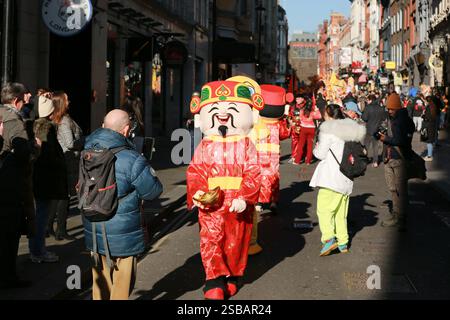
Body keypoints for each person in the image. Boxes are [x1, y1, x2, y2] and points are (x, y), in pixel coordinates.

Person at [187, 80, 262, 300]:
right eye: (215, 110)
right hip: (212, 204)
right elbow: (196, 172)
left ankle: (232, 277)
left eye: (231, 110)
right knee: (211, 241)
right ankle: (214, 281)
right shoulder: (206, 145)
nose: (222, 115)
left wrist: (245, 197)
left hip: (237, 203)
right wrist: (198, 193)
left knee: (235, 242)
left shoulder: (247, 145)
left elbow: (254, 172)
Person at [83, 109, 162, 300]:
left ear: (103, 126)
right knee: (122, 284)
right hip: (123, 233)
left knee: (100, 284)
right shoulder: (132, 158)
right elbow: (153, 191)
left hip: (94, 227)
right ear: (126, 130)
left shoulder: (86, 151)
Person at [310, 104, 366, 256]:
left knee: (324, 209)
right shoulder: (349, 130)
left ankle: (328, 239)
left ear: (328, 115)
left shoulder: (328, 131)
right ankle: (343, 242)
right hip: (346, 177)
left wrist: (315, 148)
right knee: (341, 213)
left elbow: (320, 154)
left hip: (331, 177)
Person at [0, 83, 40, 288]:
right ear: (16, 100)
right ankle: (8, 277)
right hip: (11, 186)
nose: (29, 96)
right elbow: (24, 155)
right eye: (25, 95)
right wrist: (36, 149)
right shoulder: (14, 121)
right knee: (10, 233)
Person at [247, 83, 292, 255]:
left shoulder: (257, 121)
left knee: (258, 178)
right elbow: (285, 134)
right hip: (273, 155)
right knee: (273, 178)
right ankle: (272, 201)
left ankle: (258, 202)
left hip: (259, 154)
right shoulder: (278, 124)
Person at [29, 95, 68, 263]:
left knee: (39, 215)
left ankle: (37, 250)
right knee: (41, 216)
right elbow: (47, 154)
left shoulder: (36, 125)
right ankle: (38, 251)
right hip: (45, 179)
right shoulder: (45, 127)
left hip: (38, 177)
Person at [47, 91, 83, 240]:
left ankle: (48, 226)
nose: (69, 102)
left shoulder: (55, 119)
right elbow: (70, 143)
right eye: (67, 100)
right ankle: (61, 229)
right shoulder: (64, 121)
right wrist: (84, 142)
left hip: (59, 160)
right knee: (65, 197)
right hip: (68, 161)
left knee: (58, 196)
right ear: (61, 103)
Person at [377, 92, 415, 229]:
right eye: (388, 109)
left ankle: (401, 217)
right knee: (392, 189)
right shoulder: (389, 119)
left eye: (392, 109)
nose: (390, 111)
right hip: (388, 158)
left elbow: (401, 140)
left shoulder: (403, 120)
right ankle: (396, 213)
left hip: (399, 159)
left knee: (401, 190)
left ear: (398, 108)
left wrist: (385, 139)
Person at [361, 94, 388, 167]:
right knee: (375, 147)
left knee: (366, 146)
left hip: (369, 130)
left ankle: (365, 161)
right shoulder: (380, 108)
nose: (367, 101)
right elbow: (383, 118)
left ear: (370, 100)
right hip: (377, 130)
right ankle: (375, 162)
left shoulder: (368, 107)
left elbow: (364, 118)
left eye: (368, 100)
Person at [294, 99, 322, 165]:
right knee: (310, 145)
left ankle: (297, 160)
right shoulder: (312, 112)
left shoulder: (302, 111)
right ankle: (308, 161)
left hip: (303, 128)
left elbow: (300, 119)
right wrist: (317, 109)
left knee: (301, 145)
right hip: (311, 129)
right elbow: (320, 116)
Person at [288, 94, 307, 163]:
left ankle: (304, 155)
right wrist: (290, 122)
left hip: (304, 127)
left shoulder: (307, 106)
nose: (297, 100)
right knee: (294, 142)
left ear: (303, 99)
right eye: (296, 98)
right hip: (295, 127)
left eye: (299, 98)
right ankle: (294, 156)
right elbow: (289, 116)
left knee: (304, 142)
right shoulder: (293, 107)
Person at [422, 96, 439, 162]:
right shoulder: (434, 107)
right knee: (430, 141)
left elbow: (427, 116)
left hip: (429, 125)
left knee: (429, 141)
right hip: (432, 125)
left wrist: (423, 116)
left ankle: (429, 156)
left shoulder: (429, 107)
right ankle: (429, 155)